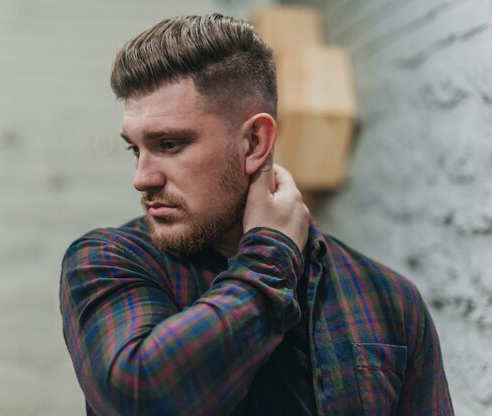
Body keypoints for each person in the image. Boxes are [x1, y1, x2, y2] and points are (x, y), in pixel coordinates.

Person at [60, 13, 453, 416]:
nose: (142, 178)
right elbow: (141, 397)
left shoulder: (388, 299)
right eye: (135, 149)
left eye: (170, 144)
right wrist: (271, 255)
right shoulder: (108, 261)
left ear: (253, 142)